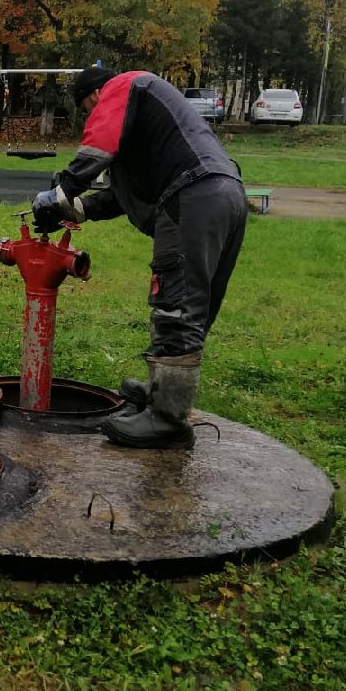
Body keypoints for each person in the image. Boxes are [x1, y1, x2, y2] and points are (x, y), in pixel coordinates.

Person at [33, 67, 247, 449]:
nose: (92, 115)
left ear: (96, 93)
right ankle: (162, 391)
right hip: (223, 193)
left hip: (190, 198)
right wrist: (74, 209)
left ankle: (166, 420)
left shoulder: (127, 85)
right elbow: (120, 196)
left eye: (88, 107)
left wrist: (62, 191)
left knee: (176, 305)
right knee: (195, 306)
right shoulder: (150, 125)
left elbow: (97, 147)